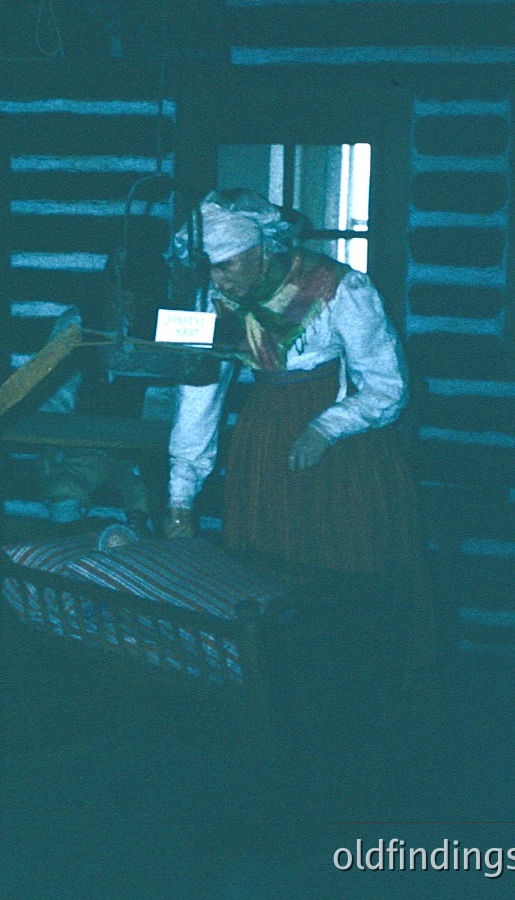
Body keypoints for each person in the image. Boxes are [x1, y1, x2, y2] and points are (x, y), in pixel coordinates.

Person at [164, 189, 435, 684]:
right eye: (209, 267)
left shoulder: (338, 289)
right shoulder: (213, 303)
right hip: (263, 444)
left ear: (263, 248)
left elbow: (388, 388)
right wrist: (181, 498)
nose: (216, 279)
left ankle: (354, 693)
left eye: (225, 265)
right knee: (263, 580)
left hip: (342, 447)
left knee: (342, 577)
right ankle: (278, 697)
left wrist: (325, 427)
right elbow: (198, 398)